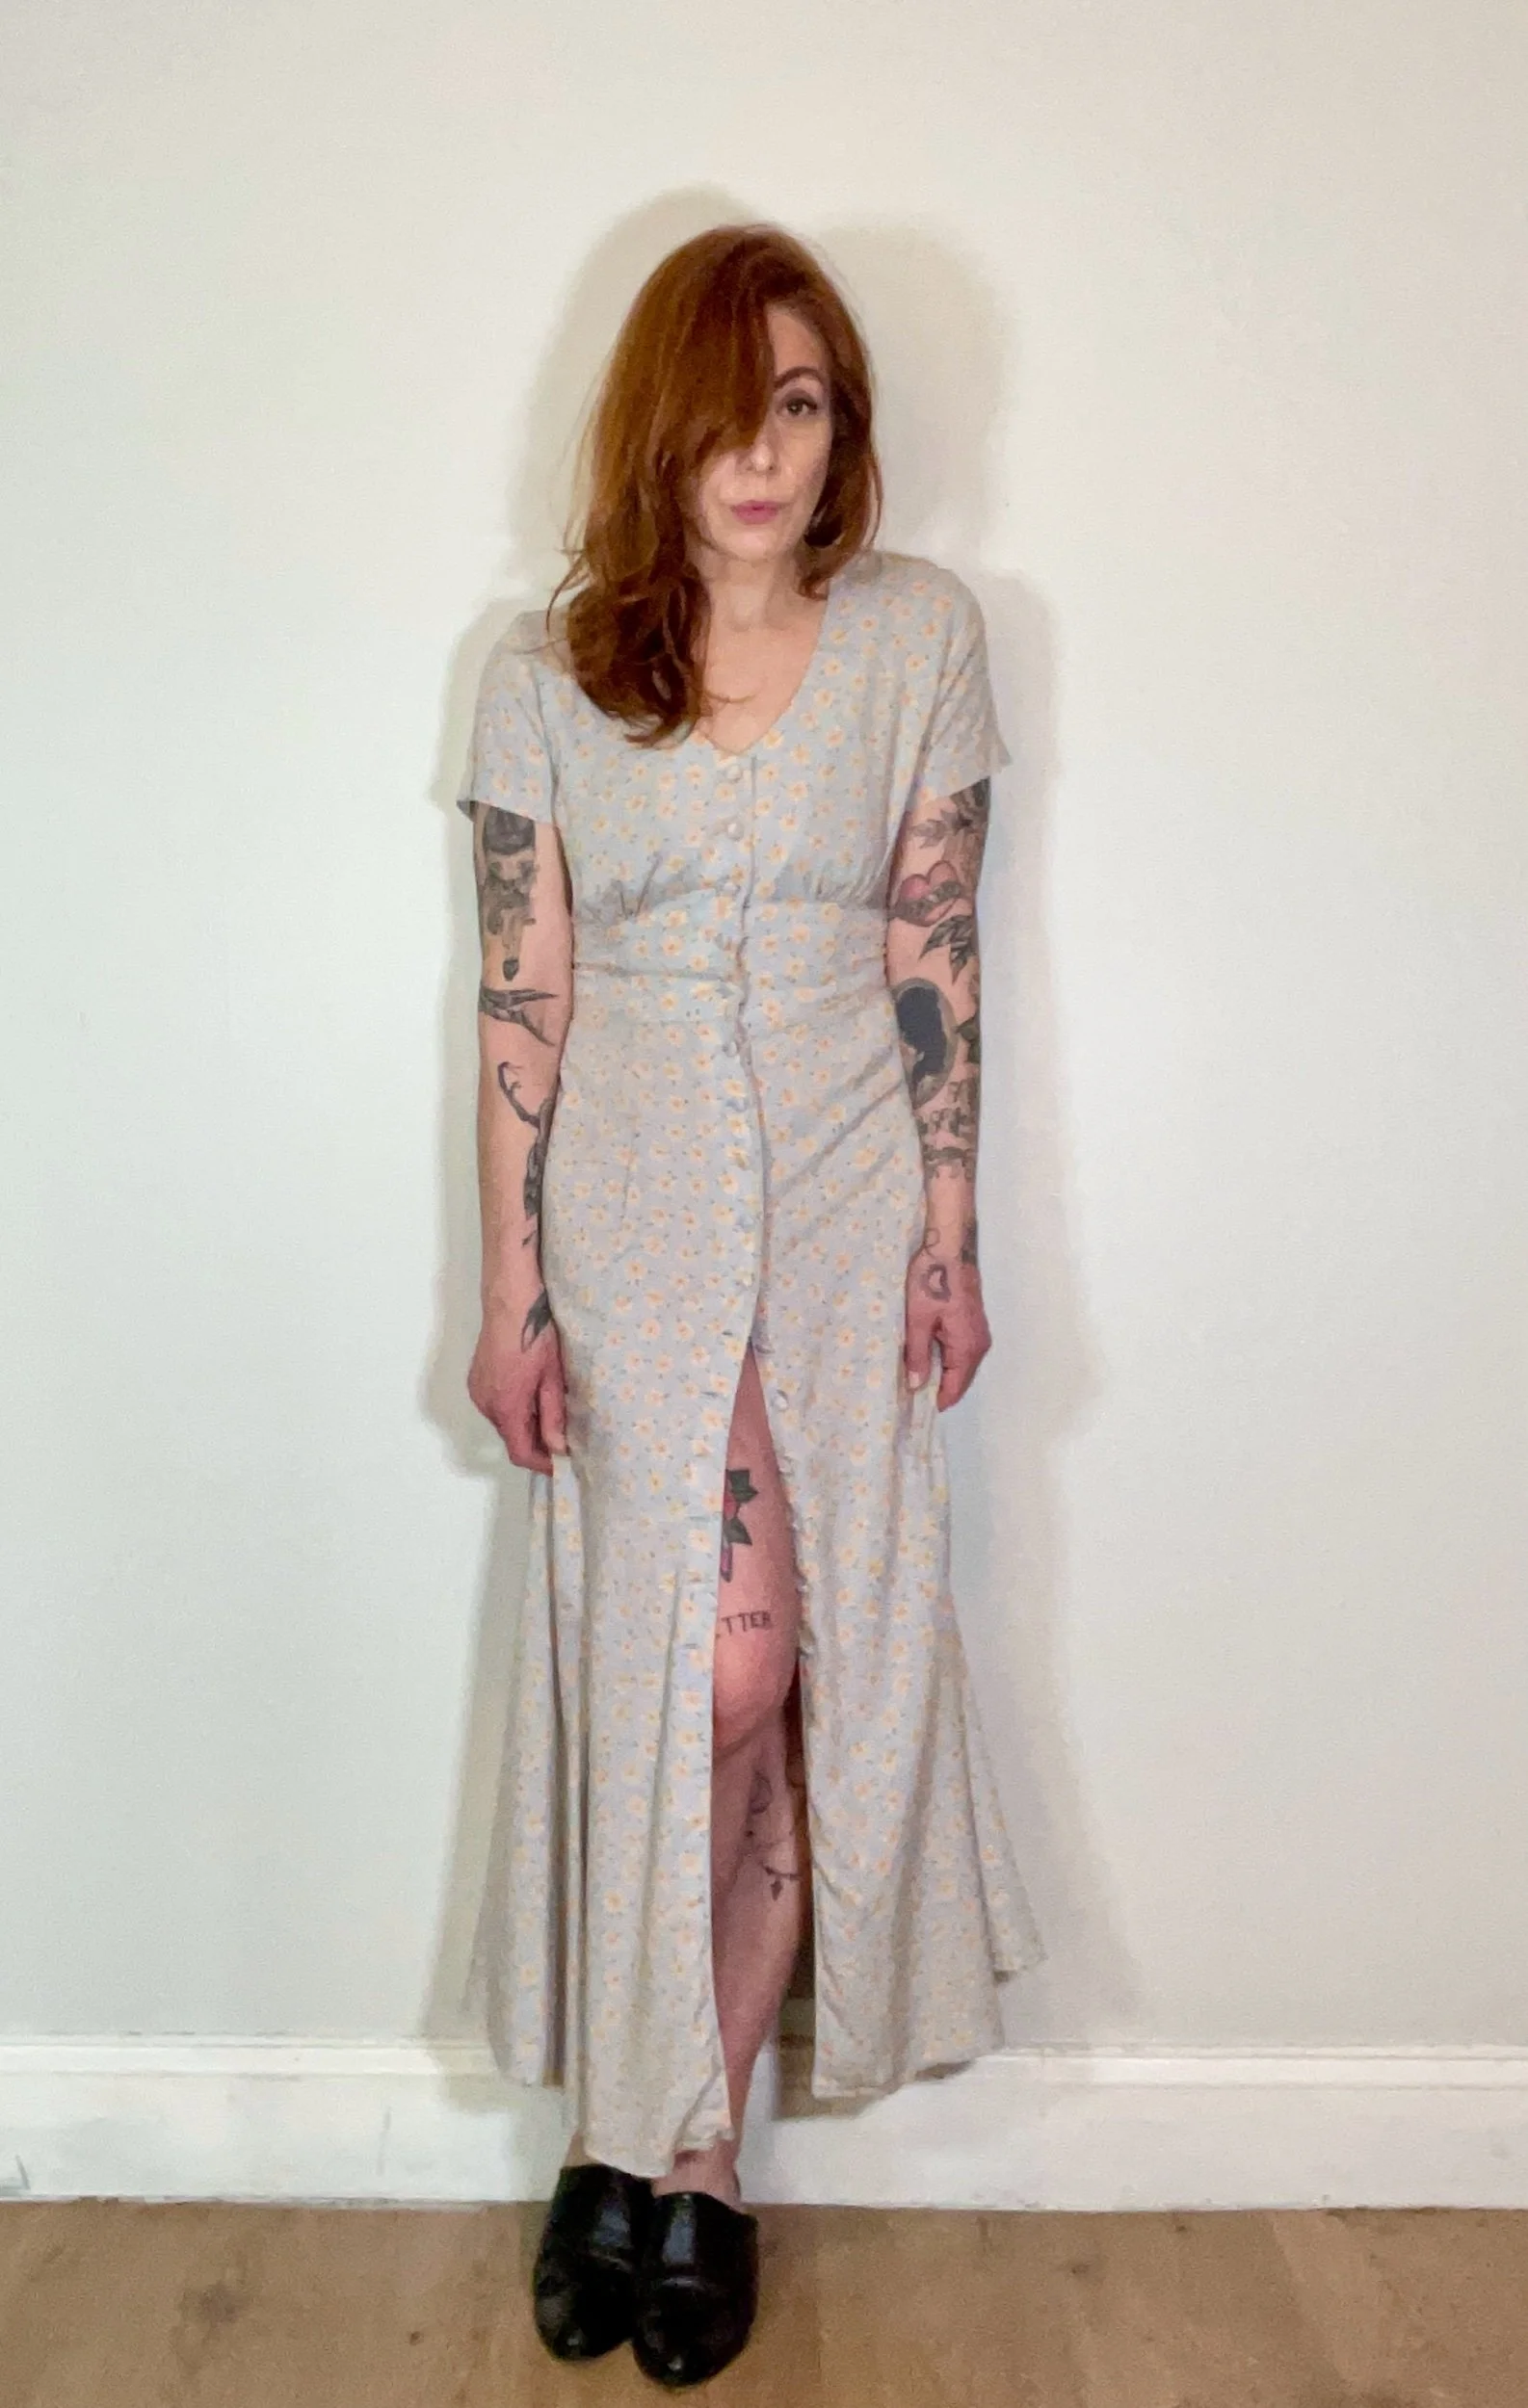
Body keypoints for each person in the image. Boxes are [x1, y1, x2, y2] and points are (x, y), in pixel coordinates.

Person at [457, 222, 1045, 2387]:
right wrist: (509, 1286)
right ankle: (656, 2140)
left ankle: (662, 2158)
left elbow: (935, 944)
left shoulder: (920, 637)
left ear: (838, 427)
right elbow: (520, 994)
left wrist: (953, 1229)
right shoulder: (545, 668)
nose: (763, 455)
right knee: (697, 1673)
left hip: (843, 1198)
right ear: (660, 431)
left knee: (796, 1672)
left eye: (798, 405)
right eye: (727, 411)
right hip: (627, 1212)